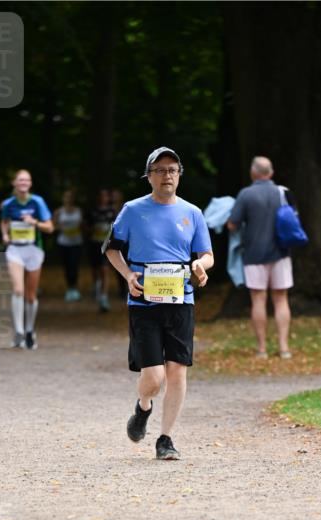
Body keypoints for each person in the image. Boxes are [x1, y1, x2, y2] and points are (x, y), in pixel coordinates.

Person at [105, 147, 213, 460]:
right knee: (153, 378)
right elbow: (112, 249)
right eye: (160, 170)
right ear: (149, 176)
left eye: (173, 170)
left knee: (177, 371)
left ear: (179, 175)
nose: (167, 175)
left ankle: (166, 439)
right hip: (144, 302)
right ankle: (143, 407)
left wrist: (200, 267)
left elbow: (206, 254)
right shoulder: (132, 210)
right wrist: (127, 276)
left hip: (181, 300)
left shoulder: (192, 212)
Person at [227, 156, 293, 360]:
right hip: (281, 253)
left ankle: (262, 348)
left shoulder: (246, 194)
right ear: (271, 173)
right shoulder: (283, 192)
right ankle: (284, 348)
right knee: (281, 299)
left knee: (258, 299)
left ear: (253, 173)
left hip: (254, 254)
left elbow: (232, 224)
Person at [0, 170, 53, 349]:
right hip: (15, 250)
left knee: (31, 295)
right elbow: (4, 222)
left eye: (26, 180)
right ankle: (19, 331)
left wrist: (34, 222)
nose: (23, 182)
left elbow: (50, 228)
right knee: (17, 290)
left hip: (34, 250)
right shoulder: (8, 204)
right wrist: (5, 235)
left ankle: (30, 330)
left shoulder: (37, 202)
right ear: (14, 183)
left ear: (30, 183)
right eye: (20, 179)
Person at [87, 188, 117, 311]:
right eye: (101, 196)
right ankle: (96, 287)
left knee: (104, 270)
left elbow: (117, 227)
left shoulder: (112, 211)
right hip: (94, 244)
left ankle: (104, 297)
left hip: (106, 245)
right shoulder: (92, 211)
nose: (103, 198)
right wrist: (92, 230)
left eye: (105, 196)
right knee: (95, 270)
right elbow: (85, 226)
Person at [54, 190, 84, 301]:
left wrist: (78, 229)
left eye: (70, 197)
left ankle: (75, 288)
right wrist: (61, 228)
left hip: (76, 242)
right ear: (63, 198)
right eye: (66, 197)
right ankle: (69, 288)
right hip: (63, 243)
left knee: (74, 265)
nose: (68, 199)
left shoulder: (78, 211)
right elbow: (53, 226)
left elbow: (82, 225)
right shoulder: (58, 211)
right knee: (67, 266)